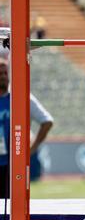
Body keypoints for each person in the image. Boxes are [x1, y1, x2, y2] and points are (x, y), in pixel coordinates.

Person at [0, 58, 54, 198]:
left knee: (14, 205)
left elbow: (47, 121)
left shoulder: (21, 96)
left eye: (5, 73)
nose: (3, 77)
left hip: (14, 163)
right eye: (0, 74)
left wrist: (32, 148)